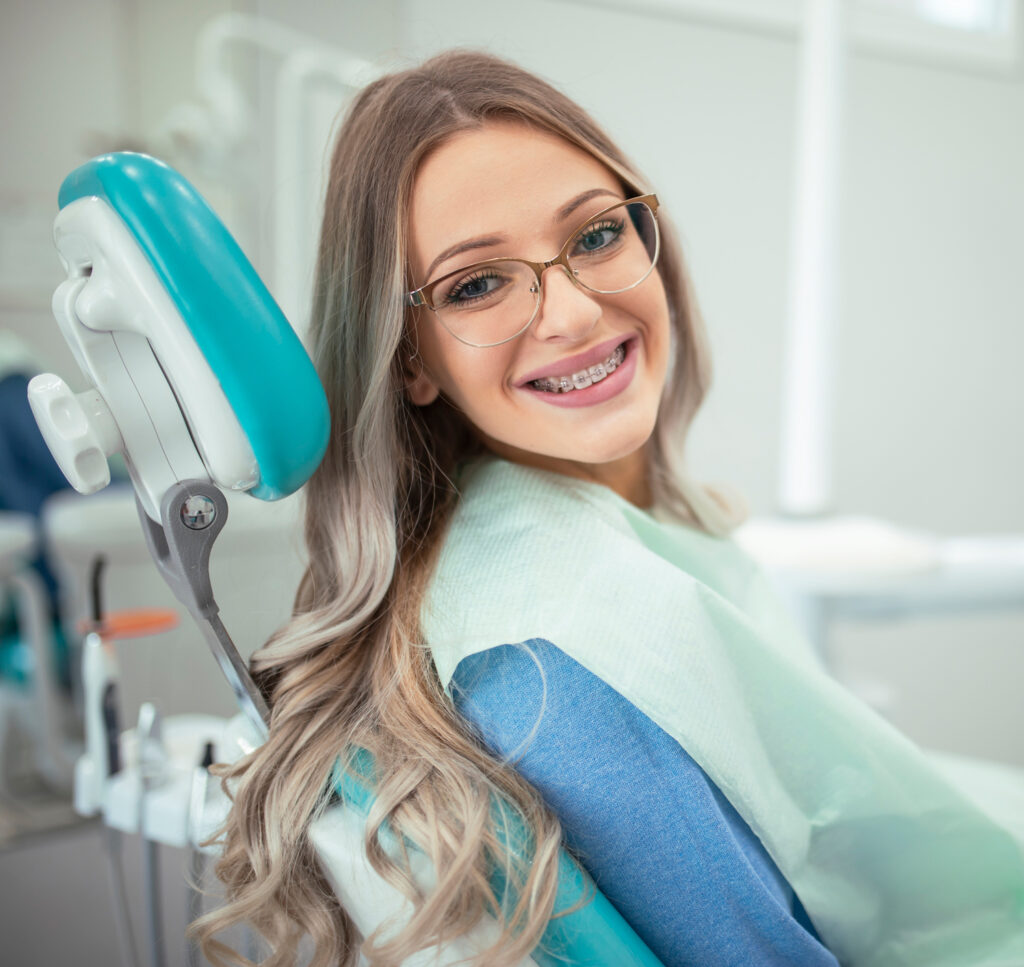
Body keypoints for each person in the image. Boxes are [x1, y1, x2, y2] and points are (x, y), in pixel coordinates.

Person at [198, 51, 1024, 967]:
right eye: (479, 283)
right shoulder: (558, 670)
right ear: (409, 360)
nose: (576, 315)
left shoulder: (570, 548)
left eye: (595, 236)